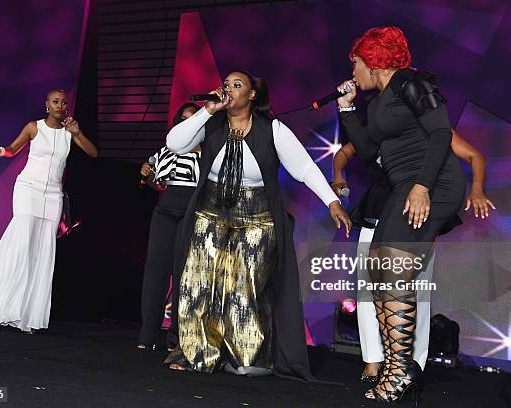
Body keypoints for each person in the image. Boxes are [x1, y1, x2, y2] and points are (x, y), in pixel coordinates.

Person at [163, 70, 351, 380]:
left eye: (237, 85)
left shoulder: (272, 129)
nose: (228, 89)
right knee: (199, 283)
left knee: (245, 284)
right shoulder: (211, 123)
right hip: (211, 210)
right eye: (226, 84)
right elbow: (175, 143)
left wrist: (331, 201)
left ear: (252, 95)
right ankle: (200, 354)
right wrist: (207, 110)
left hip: (256, 215)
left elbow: (304, 167)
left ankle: (249, 355)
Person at [337, 26, 466, 402]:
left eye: (356, 62)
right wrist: (347, 110)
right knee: (378, 269)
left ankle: (403, 369)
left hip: (432, 184)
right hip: (400, 187)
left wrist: (423, 186)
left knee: (394, 269)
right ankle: (396, 366)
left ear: (374, 60)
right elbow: (364, 150)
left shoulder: (410, 82)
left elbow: (441, 133)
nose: (353, 70)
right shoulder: (376, 103)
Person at [331, 130, 495, 384]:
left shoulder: (434, 126)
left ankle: (412, 365)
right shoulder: (379, 123)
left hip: (416, 217)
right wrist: (339, 177)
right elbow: (343, 153)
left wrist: (477, 189)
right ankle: (373, 360)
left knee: (417, 292)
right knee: (368, 289)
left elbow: (475, 156)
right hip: (377, 211)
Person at [0, 89, 97, 334]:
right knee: (20, 245)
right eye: (55, 102)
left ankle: (25, 315)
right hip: (28, 189)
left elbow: (93, 153)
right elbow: (11, 149)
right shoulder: (34, 127)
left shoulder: (69, 133)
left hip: (53, 195)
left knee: (42, 251)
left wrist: (77, 132)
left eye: (63, 102)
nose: (60, 105)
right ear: (47, 105)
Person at [138, 102, 202, 351]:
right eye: (182, 119)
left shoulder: (207, 150)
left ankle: (176, 338)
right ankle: (148, 335)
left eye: (191, 119)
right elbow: (157, 184)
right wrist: (148, 173)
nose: (186, 123)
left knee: (184, 276)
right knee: (155, 272)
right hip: (164, 212)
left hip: (191, 214)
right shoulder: (168, 149)